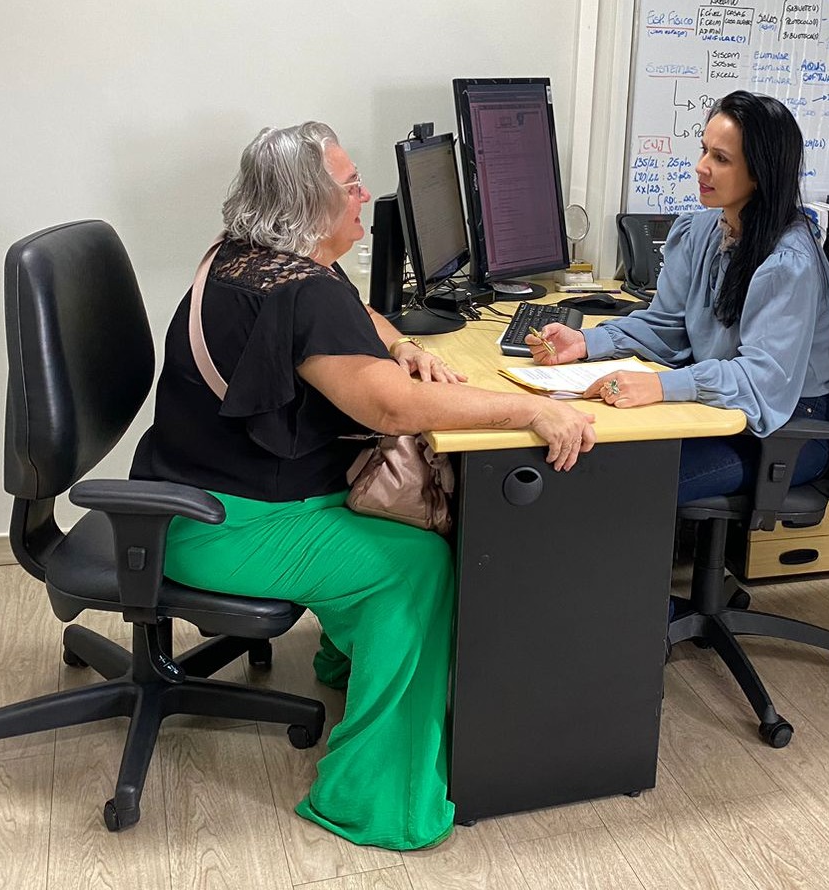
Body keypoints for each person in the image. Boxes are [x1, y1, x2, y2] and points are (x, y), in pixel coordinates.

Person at [130, 121, 596, 850]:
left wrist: (405, 345)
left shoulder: (247, 257)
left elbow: (357, 316)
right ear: (308, 204)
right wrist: (528, 406)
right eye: (349, 186)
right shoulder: (302, 288)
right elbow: (388, 407)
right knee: (415, 566)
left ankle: (347, 657)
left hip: (192, 497)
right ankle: (371, 799)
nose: (364, 196)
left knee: (403, 521)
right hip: (229, 525)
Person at [527, 90, 829, 504]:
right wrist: (587, 342)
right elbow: (670, 324)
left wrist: (660, 387)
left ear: (761, 173)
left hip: (784, 428)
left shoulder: (789, 264)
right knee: (581, 457)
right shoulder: (703, 231)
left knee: (612, 482)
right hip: (721, 412)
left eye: (722, 159)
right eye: (704, 150)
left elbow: (760, 381)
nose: (701, 167)